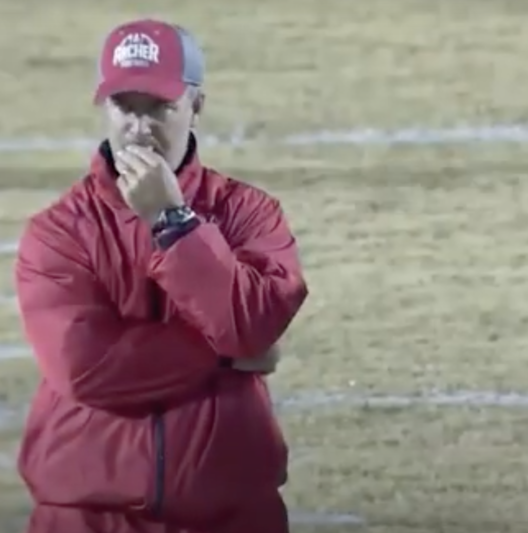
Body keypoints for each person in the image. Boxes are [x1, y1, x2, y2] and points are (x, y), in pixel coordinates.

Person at [14, 19, 308, 533]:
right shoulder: (56, 233)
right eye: (126, 106)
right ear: (104, 107)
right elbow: (87, 370)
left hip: (230, 516)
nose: (140, 126)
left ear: (197, 105)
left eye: (160, 107)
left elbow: (251, 328)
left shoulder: (250, 215)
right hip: (85, 518)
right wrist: (221, 352)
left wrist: (174, 223)